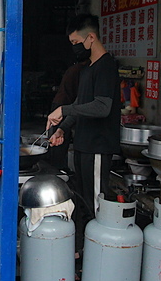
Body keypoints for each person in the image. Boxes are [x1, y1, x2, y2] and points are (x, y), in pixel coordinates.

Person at [46, 13, 121, 233]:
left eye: (76, 43)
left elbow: (102, 107)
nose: (75, 48)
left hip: (98, 146)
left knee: (97, 203)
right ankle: (87, 250)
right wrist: (62, 128)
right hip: (83, 145)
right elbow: (81, 103)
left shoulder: (106, 67)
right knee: (84, 200)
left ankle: (101, 253)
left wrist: (64, 109)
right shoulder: (88, 68)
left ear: (91, 38)